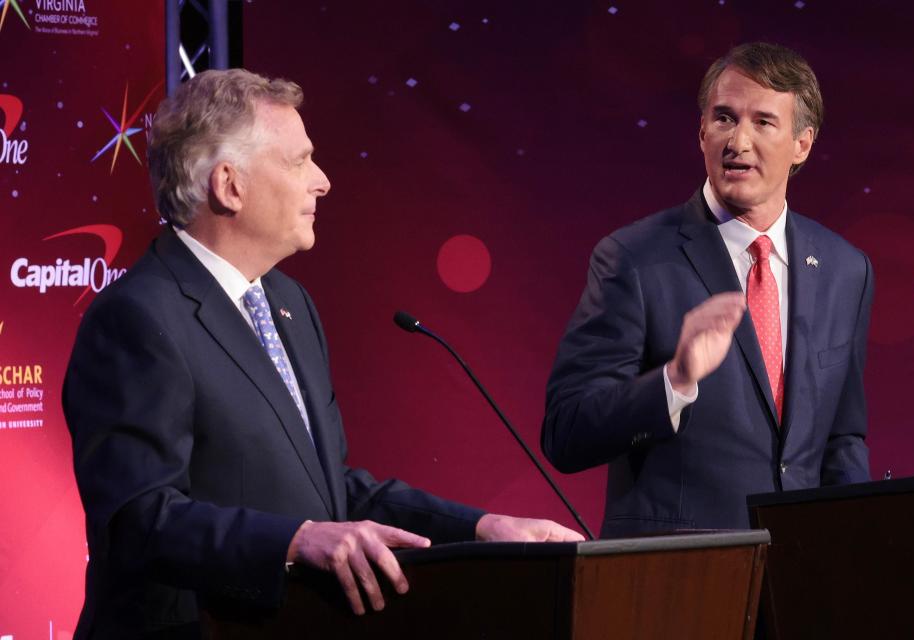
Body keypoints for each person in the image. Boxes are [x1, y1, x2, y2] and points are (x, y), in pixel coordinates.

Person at [63, 68, 582, 639]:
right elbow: (138, 519)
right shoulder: (137, 316)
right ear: (229, 185)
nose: (323, 181)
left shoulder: (288, 302)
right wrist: (293, 541)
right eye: (298, 160)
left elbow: (335, 492)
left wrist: (482, 529)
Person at [541, 42, 873, 538]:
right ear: (701, 132)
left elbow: (842, 437)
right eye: (723, 118)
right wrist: (674, 380)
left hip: (795, 581)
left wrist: (850, 541)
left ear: (802, 144)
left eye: (763, 122)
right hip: (678, 581)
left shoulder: (845, 269)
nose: (737, 140)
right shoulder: (634, 258)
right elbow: (566, 432)